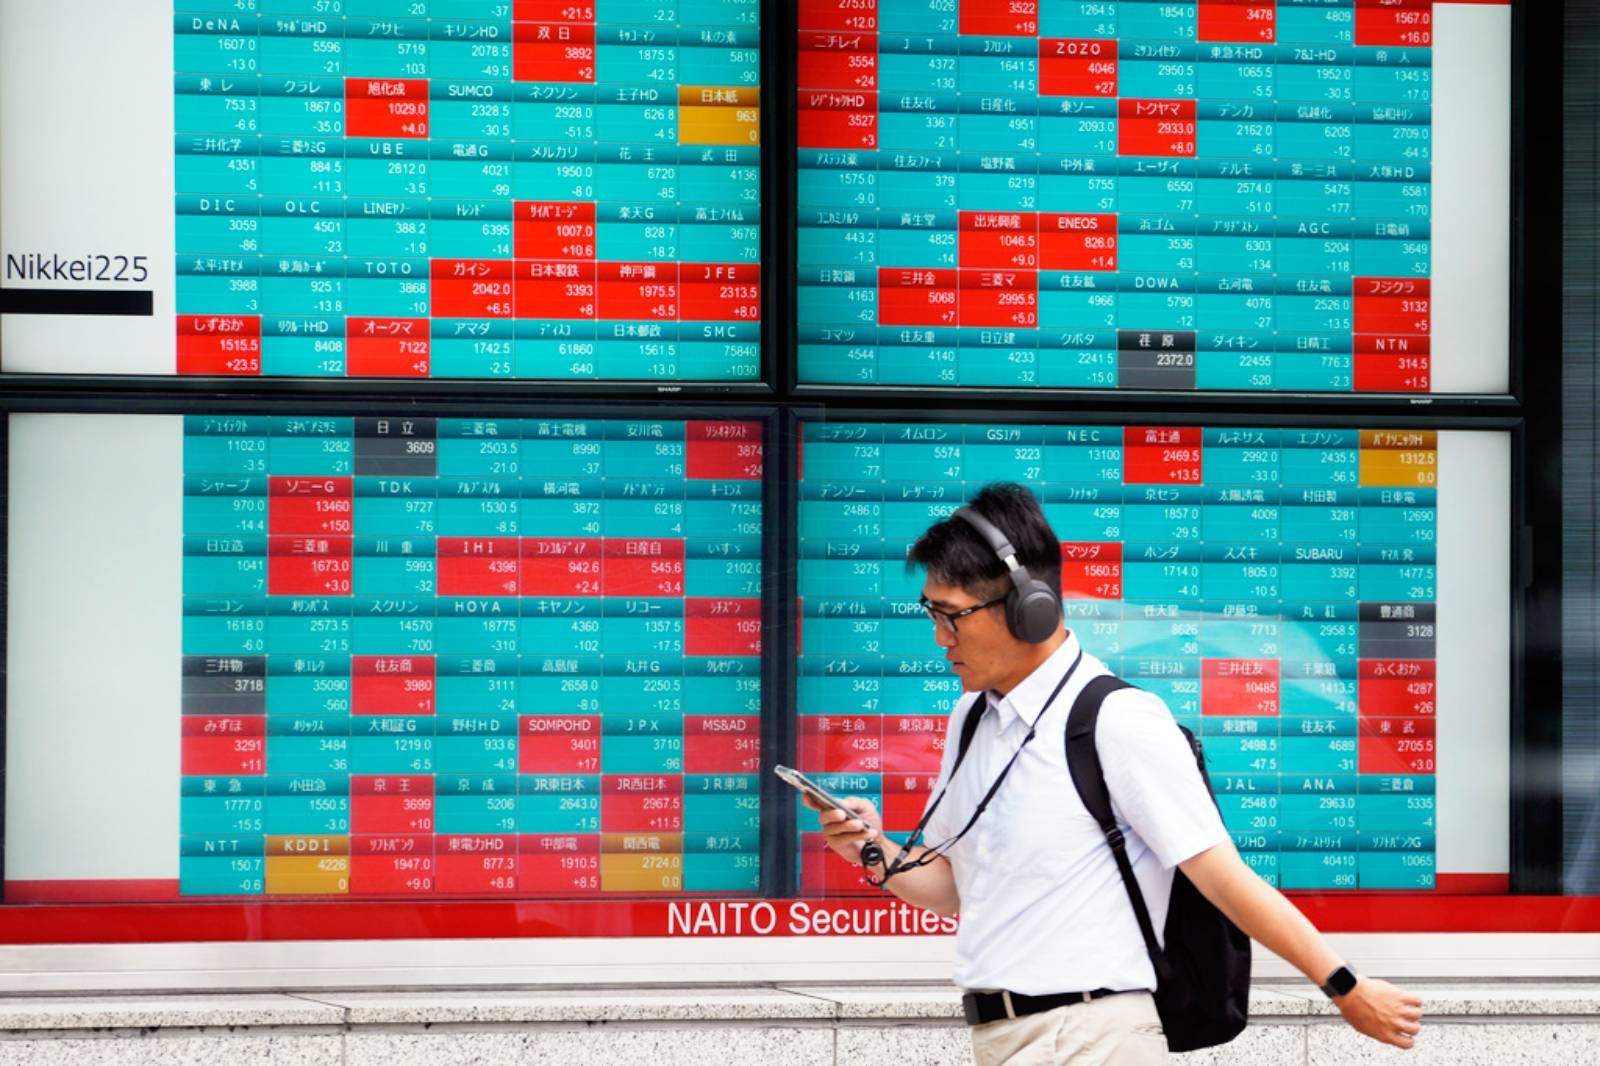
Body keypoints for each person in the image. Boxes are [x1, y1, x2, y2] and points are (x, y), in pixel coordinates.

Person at [808, 482, 1424, 1065]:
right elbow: (963, 891)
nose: (940, 638)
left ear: (1030, 611)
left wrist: (1343, 985)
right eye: (931, 614)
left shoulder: (1118, 722)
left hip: (1093, 1037)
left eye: (953, 616)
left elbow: (1225, 879)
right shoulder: (974, 718)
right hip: (1000, 1038)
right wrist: (870, 849)